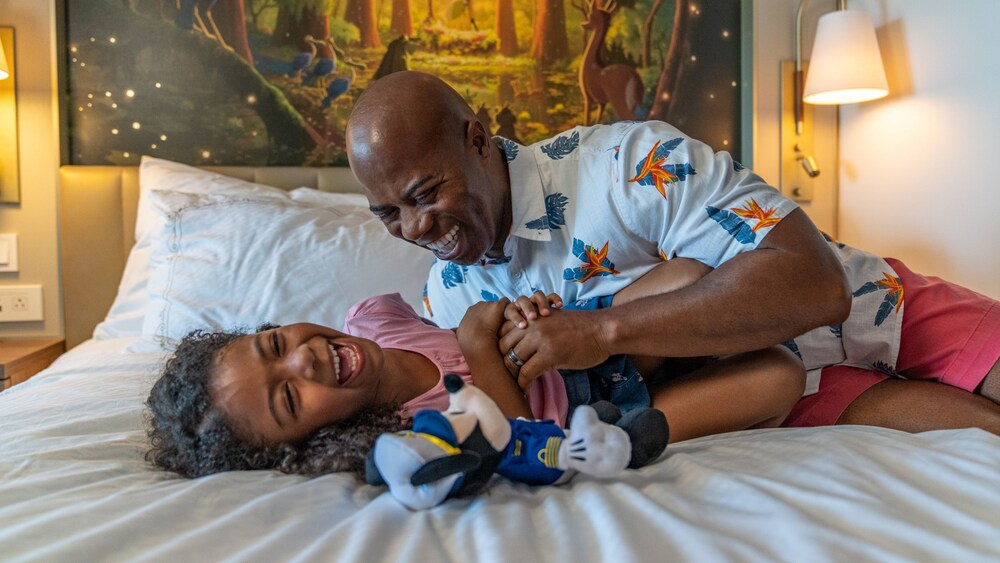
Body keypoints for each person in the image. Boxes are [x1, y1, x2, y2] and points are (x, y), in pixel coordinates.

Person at [345, 71, 1000, 434]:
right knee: (980, 443)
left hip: (877, 304)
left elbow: (816, 285)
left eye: (424, 193)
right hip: (788, 391)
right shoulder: (450, 301)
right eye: (388, 214)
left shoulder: (629, 163)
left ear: (479, 139)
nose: (415, 227)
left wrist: (603, 330)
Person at [146, 260, 806, 479]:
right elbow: (527, 446)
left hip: (581, 345)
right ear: (305, 445)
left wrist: (516, 316)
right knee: (779, 375)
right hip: (591, 427)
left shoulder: (372, 316)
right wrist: (481, 346)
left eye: (273, 343)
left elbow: (463, 324)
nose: (306, 356)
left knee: (691, 276)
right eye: (290, 397)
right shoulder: (402, 437)